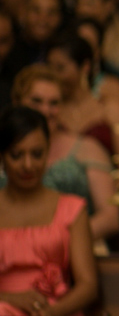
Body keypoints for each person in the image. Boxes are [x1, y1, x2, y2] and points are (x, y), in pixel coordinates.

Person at [2, 65, 119, 242]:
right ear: (16, 101)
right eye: (36, 101)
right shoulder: (3, 148)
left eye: (54, 103)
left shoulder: (88, 148)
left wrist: (58, 242)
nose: (45, 110)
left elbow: (111, 218)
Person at [0, 106, 99, 316]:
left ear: (48, 151)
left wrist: (50, 313)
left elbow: (88, 285)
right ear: (2, 156)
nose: (28, 165)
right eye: (17, 155)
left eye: (37, 154)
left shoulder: (71, 208)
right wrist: (9, 298)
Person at [47, 32, 119, 157]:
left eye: (60, 68)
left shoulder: (109, 109)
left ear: (85, 67)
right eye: (49, 68)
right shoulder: (51, 111)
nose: (54, 76)